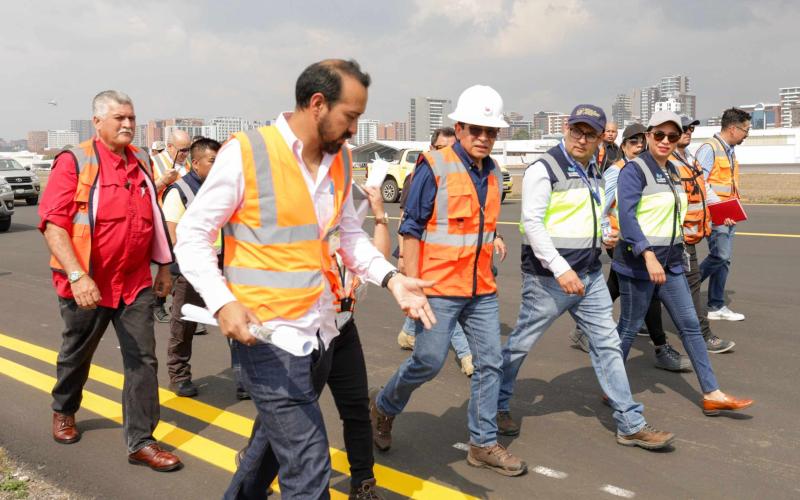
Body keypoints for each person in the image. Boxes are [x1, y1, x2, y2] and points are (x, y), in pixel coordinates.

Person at [175, 59, 434, 499]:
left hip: (321, 333)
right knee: (310, 465)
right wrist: (222, 302)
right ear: (317, 104)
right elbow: (192, 235)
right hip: (267, 337)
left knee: (267, 453)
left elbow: (346, 234)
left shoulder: (340, 160)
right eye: (350, 116)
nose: (355, 129)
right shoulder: (248, 152)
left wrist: (392, 279)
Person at [371, 85, 527, 477]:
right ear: (459, 128)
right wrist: (410, 282)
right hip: (437, 287)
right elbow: (411, 227)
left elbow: (482, 224)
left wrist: (494, 238)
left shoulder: (492, 172)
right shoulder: (434, 165)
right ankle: (383, 407)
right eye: (476, 129)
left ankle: (482, 443)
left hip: (480, 289)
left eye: (491, 132)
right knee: (427, 361)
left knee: (491, 363)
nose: (484, 138)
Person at [498, 105, 674, 451]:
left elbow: (592, 213)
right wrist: (560, 269)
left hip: (590, 275)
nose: (582, 138)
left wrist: (604, 233)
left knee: (608, 345)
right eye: (577, 130)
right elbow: (532, 224)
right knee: (520, 344)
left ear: (599, 138)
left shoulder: (593, 168)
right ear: (565, 128)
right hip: (549, 279)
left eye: (590, 133)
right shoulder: (543, 169)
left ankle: (630, 422)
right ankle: (496, 404)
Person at [38, 90, 181, 472]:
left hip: (133, 283)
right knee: (77, 353)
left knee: (143, 360)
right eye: (120, 118)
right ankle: (64, 408)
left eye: (132, 118)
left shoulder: (140, 160)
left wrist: (164, 267)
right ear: (97, 121)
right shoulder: (75, 161)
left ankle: (141, 441)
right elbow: (54, 224)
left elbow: (152, 215)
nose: (128, 125)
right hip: (87, 283)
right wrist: (77, 274)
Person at [613, 110, 753, 416]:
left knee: (690, 326)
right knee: (628, 327)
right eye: (659, 135)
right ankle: (613, 388)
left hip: (672, 260)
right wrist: (647, 253)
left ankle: (712, 392)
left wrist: (717, 217)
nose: (666, 141)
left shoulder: (673, 171)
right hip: (640, 264)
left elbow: (685, 210)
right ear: (648, 135)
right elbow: (627, 215)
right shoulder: (633, 170)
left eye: (672, 136)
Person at [569, 123, 690, 373]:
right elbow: (603, 204)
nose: (637, 146)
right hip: (623, 240)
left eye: (640, 142)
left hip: (642, 241)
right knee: (642, 294)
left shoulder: (649, 168)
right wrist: (605, 233)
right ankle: (659, 346)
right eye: (632, 142)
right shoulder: (619, 171)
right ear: (623, 146)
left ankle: (585, 328)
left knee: (619, 288)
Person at [396, 126, 475, 377]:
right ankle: (467, 355)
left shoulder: (465, 177)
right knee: (444, 313)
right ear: (431, 149)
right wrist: (403, 260)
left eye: (453, 148)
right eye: (442, 148)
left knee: (431, 307)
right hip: (426, 261)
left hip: (456, 262)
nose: (447, 155)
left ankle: (408, 333)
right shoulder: (421, 175)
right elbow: (406, 219)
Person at [162, 138, 222, 397]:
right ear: (195, 163)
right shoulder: (179, 191)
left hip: (223, 266)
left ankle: (245, 380)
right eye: (212, 161)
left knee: (237, 322)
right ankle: (179, 375)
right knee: (183, 325)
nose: (219, 166)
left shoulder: (222, 190)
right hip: (192, 270)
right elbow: (172, 234)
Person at [671, 116, 736, 354]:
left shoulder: (691, 159)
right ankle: (703, 335)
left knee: (649, 291)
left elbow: (705, 190)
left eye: (690, 129)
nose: (688, 132)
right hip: (672, 239)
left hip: (688, 236)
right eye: (683, 129)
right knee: (692, 283)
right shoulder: (666, 162)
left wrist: (722, 212)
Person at [696, 108, 751, 321]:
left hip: (728, 214)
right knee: (720, 256)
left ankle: (716, 305)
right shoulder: (710, 148)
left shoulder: (729, 149)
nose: (746, 134)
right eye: (745, 130)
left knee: (724, 260)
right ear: (732, 128)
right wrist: (720, 209)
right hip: (716, 214)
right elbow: (701, 183)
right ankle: (685, 287)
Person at [150, 130, 191, 323]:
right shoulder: (155, 163)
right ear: (170, 147)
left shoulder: (188, 164)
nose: (185, 153)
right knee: (169, 264)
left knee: (182, 265)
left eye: (188, 149)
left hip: (185, 222)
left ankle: (181, 308)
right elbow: (144, 190)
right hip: (165, 222)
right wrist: (161, 181)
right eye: (182, 150)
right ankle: (158, 304)